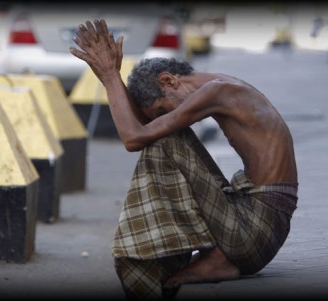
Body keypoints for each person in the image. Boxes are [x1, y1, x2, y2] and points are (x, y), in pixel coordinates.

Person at [70, 19, 299, 300]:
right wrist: (114, 76)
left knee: (164, 140)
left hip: (255, 233)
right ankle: (211, 255)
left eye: (162, 109)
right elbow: (141, 131)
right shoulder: (221, 87)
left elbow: (133, 138)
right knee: (160, 137)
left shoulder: (218, 91)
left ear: (168, 80)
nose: (163, 117)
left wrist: (109, 76)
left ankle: (198, 258)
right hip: (255, 229)